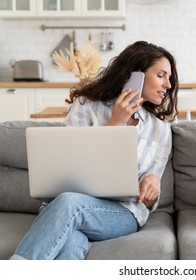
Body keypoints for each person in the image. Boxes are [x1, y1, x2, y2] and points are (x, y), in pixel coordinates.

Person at [10, 41, 179, 260]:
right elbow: (68, 164)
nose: (168, 84)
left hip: (122, 213)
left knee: (70, 204)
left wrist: (153, 182)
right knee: (71, 241)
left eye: (170, 78)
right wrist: (115, 123)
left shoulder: (160, 128)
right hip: (66, 208)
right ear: (134, 75)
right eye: (161, 75)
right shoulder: (86, 106)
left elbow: (147, 197)